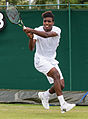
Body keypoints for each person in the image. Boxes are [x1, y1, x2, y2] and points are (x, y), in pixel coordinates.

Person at [23, 11, 75, 113]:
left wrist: (32, 31)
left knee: (61, 85)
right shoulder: (38, 30)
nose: (47, 23)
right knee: (56, 74)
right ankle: (63, 104)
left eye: (49, 21)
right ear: (43, 22)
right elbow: (31, 48)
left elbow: (46, 35)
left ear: (53, 22)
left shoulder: (57, 30)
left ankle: (45, 95)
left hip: (51, 60)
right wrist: (31, 38)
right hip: (40, 60)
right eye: (45, 21)